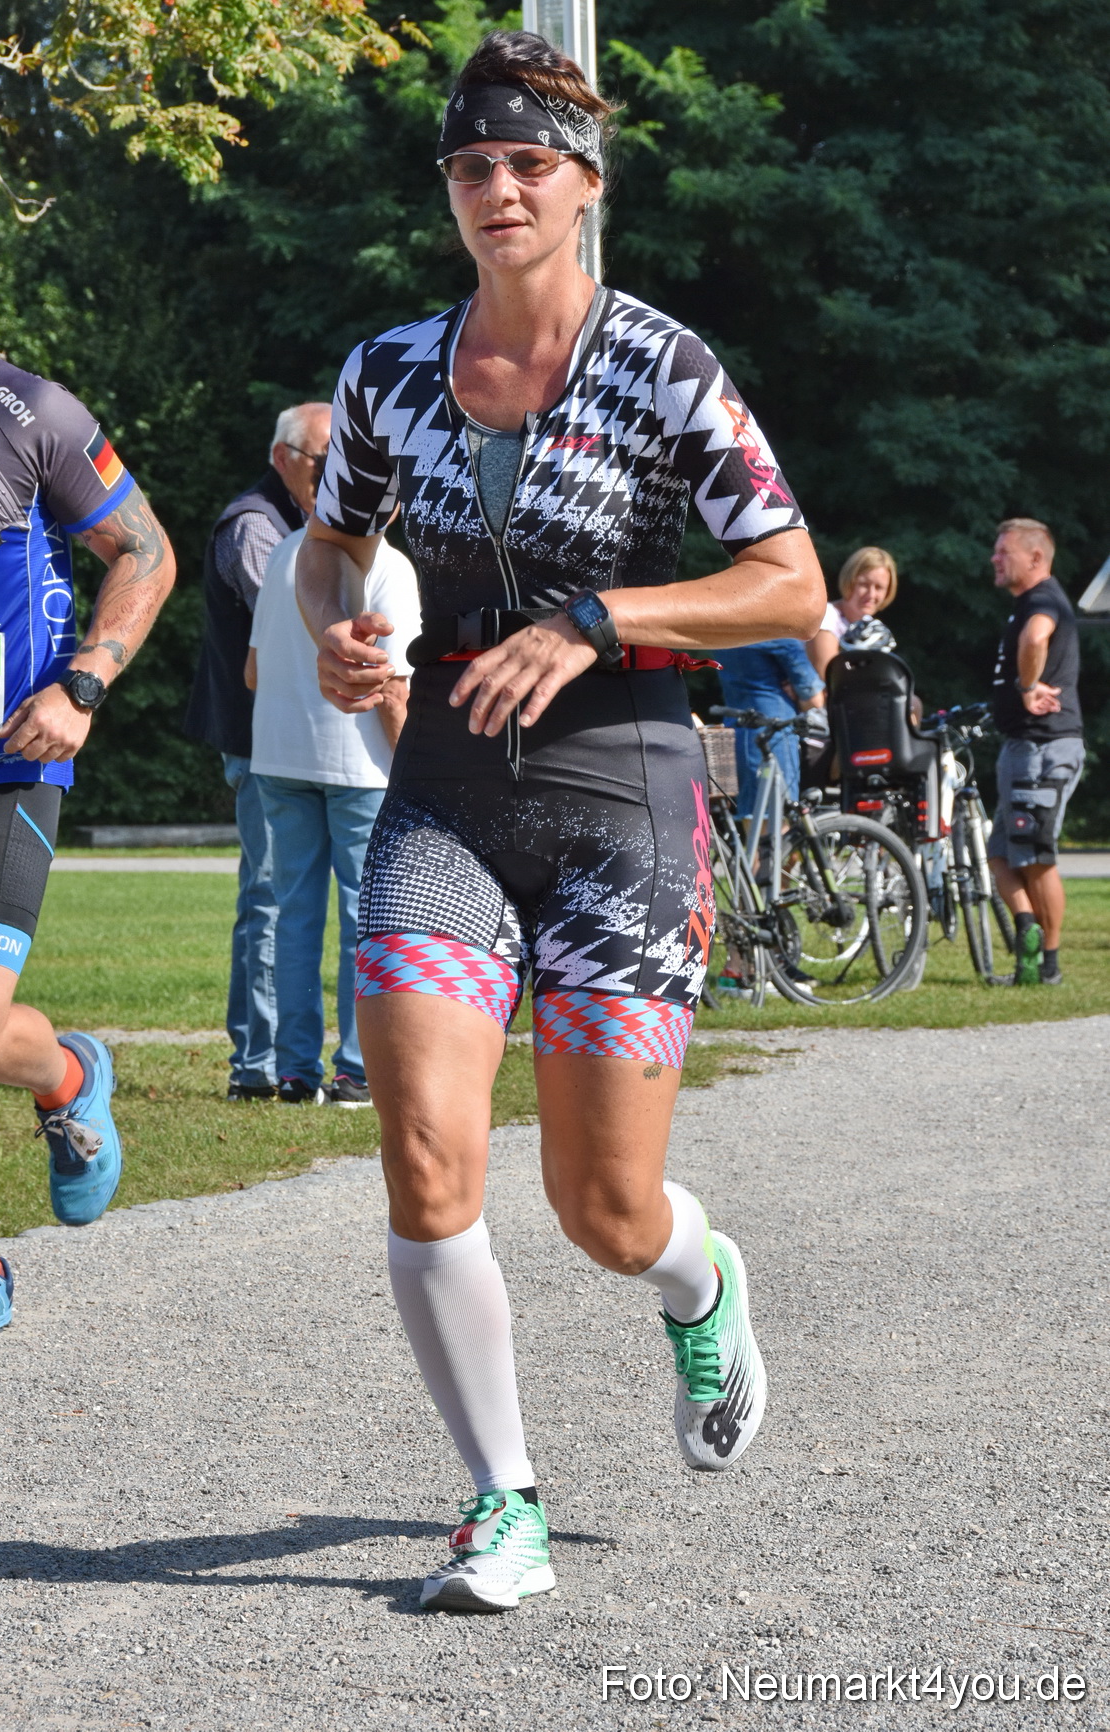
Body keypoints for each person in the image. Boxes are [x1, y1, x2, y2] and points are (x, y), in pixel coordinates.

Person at [297, 29, 824, 1615]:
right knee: (424, 1154)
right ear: (448, 193)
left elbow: (787, 584)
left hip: (623, 801)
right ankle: (496, 1499)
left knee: (601, 1211)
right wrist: (336, 618)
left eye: (528, 163)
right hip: (444, 798)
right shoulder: (388, 369)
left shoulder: (664, 367)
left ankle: (697, 1277)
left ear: (583, 187)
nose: (498, 189)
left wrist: (597, 617)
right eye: (472, 167)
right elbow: (334, 545)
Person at [0, 218, 175, 1342]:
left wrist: (83, 683)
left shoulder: (27, 409)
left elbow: (145, 550)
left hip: (6, 757)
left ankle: (69, 1075)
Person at [184, 403, 332, 1100]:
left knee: (287, 896)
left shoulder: (308, 524)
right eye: (323, 460)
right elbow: (295, 627)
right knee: (270, 894)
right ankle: (260, 1064)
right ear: (283, 459)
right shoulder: (255, 526)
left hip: (300, 740)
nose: (339, 474)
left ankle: (275, 1059)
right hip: (262, 741)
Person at [245, 523, 420, 1105]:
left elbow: (252, 670)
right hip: (360, 764)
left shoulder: (282, 556)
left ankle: (294, 1071)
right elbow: (393, 689)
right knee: (363, 919)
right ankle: (355, 1070)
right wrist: (417, 771)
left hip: (278, 752)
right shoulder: (388, 565)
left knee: (293, 916)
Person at [987, 517, 1083, 986]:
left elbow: (1035, 638)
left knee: (1036, 855)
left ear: (1036, 558)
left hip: (1044, 746)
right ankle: (1026, 927)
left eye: (1004, 552)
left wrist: (1027, 686)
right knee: (1000, 854)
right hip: (1022, 745)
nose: (995, 559)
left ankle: (1048, 964)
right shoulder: (1028, 602)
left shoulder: (1043, 599)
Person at [716, 638, 824, 817]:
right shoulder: (777, 634)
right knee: (778, 814)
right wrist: (796, 693)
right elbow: (814, 699)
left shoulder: (724, 628)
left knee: (751, 814)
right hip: (773, 731)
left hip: (737, 729)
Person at [806, 544, 898, 679]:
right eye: (864, 585)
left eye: (879, 588)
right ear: (849, 581)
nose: (871, 595)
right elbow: (831, 677)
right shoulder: (827, 617)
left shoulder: (874, 630)